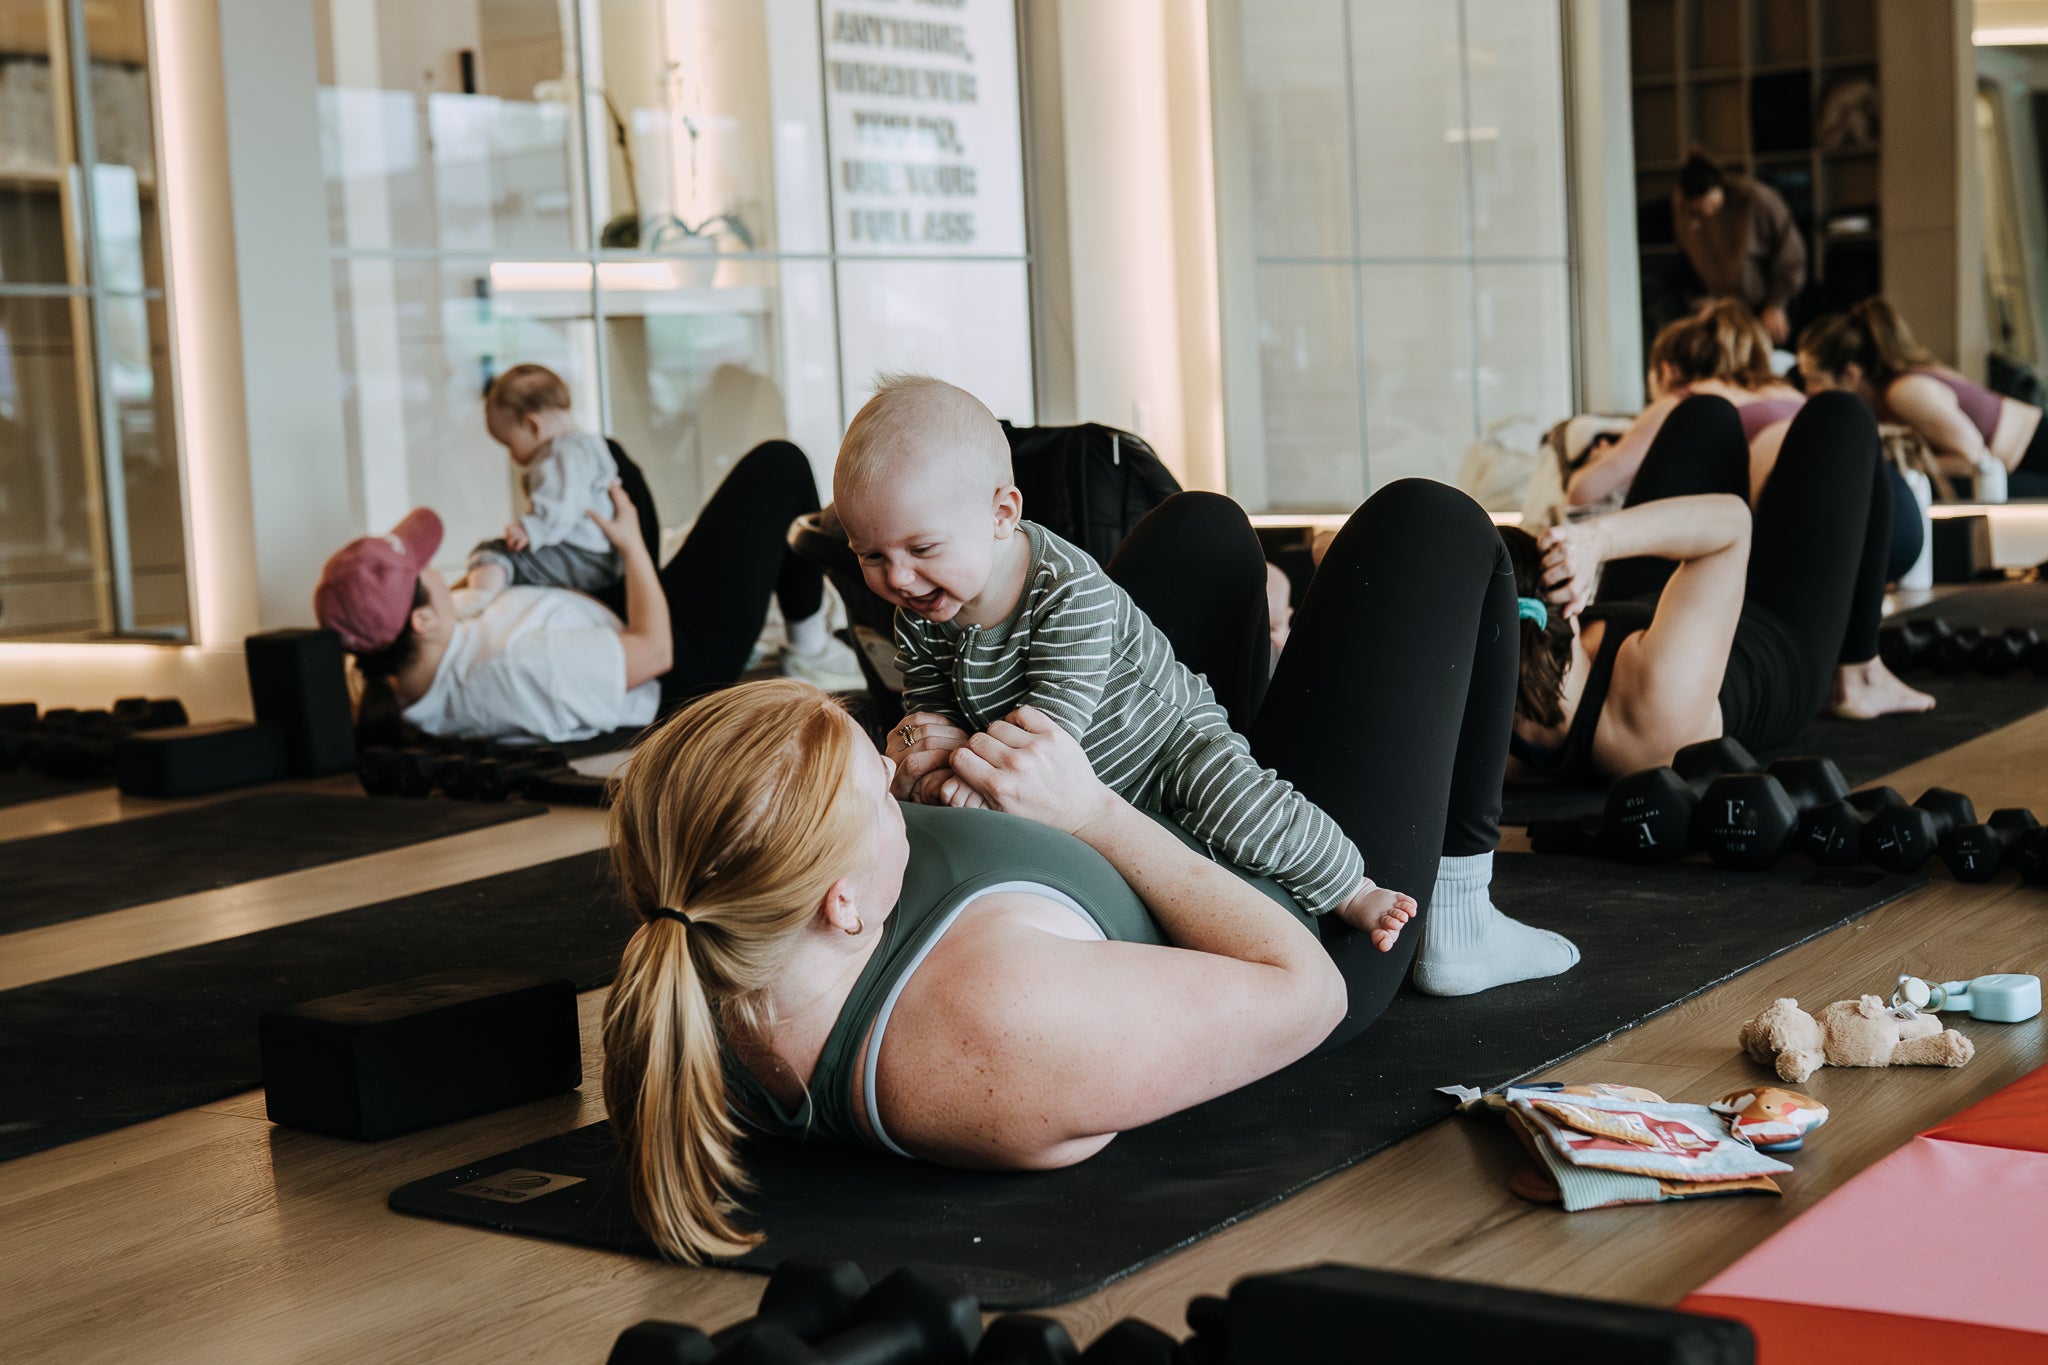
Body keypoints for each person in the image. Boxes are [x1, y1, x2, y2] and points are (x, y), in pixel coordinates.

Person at [600, 475, 1577, 1264]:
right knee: (1428, 523)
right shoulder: (990, 1029)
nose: (894, 780)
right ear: (842, 903)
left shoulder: (707, 925)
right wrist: (1092, 812)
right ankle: (1460, 914)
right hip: (1289, 909)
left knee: (1198, 531)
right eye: (881, 794)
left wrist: (953, 759)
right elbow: (1304, 991)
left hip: (1124, 791)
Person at [831, 376, 1394, 932]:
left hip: (1166, 749)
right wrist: (936, 759)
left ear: (1002, 514)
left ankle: (1349, 886)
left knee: (1242, 808)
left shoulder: (1067, 591)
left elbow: (1053, 734)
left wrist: (965, 775)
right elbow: (931, 717)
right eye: (871, 555)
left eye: (922, 548)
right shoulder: (920, 612)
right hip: (1066, 788)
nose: (897, 578)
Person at [1507, 392, 1932, 792]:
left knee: (1704, 415)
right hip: (1772, 633)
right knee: (1841, 416)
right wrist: (1597, 539)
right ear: (1562, 597)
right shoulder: (1654, 703)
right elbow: (1731, 525)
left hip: (1656, 607)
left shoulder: (1496, 718)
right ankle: (1859, 676)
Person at [314, 440, 844, 746]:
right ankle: (809, 651)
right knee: (780, 466)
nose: (433, 569)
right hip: (676, 659)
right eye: (422, 568)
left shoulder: (406, 661)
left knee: (599, 454)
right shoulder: (519, 668)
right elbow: (653, 653)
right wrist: (631, 545)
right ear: (421, 622)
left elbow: (464, 598)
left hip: (602, 620)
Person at [1800, 298, 2048, 499]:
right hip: (2013, 464)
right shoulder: (1887, 395)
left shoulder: (1903, 392)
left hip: (2033, 455)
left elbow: (1973, 459)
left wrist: (1900, 466)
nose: (1808, 391)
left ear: (1851, 374)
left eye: (1815, 379)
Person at [1568, 301, 1805, 509]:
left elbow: (1583, 492)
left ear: (1666, 371)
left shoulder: (1686, 401)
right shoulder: (1792, 394)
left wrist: (1604, 459)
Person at [456, 364, 622, 615]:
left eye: (509, 444)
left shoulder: (560, 456)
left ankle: (478, 601)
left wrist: (530, 528)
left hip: (580, 558)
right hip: (604, 558)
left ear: (532, 426)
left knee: (492, 552)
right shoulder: (591, 445)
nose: (512, 457)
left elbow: (561, 507)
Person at [1672, 153, 1807, 346]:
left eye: (1711, 205)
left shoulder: (1756, 198)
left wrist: (1776, 304)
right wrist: (1704, 302)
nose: (1706, 212)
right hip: (1723, 304)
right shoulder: (1685, 209)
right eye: (1699, 209)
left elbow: (1791, 255)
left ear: (1719, 187)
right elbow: (1688, 262)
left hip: (1769, 301)